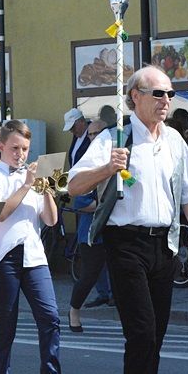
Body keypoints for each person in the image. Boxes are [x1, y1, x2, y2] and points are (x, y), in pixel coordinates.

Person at [68, 65, 188, 374]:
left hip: (164, 245)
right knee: (141, 335)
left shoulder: (173, 141)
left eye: (170, 94)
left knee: (154, 342)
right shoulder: (114, 137)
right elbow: (73, 186)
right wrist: (109, 167)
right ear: (134, 96)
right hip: (126, 244)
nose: (166, 101)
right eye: (158, 94)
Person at [0, 120, 80, 374]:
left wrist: (47, 189)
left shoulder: (32, 179)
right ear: (1, 147)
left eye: (25, 149)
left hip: (34, 257)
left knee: (50, 318)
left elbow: (50, 220)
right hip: (3, 257)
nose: (21, 154)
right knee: (5, 326)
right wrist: (26, 185)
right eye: (14, 148)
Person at [68, 120, 113, 333]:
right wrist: (106, 204)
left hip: (115, 229)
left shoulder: (116, 159)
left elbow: (130, 184)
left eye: (99, 133)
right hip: (91, 232)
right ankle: (74, 311)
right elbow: (79, 203)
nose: (95, 138)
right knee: (89, 275)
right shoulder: (88, 164)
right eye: (92, 134)